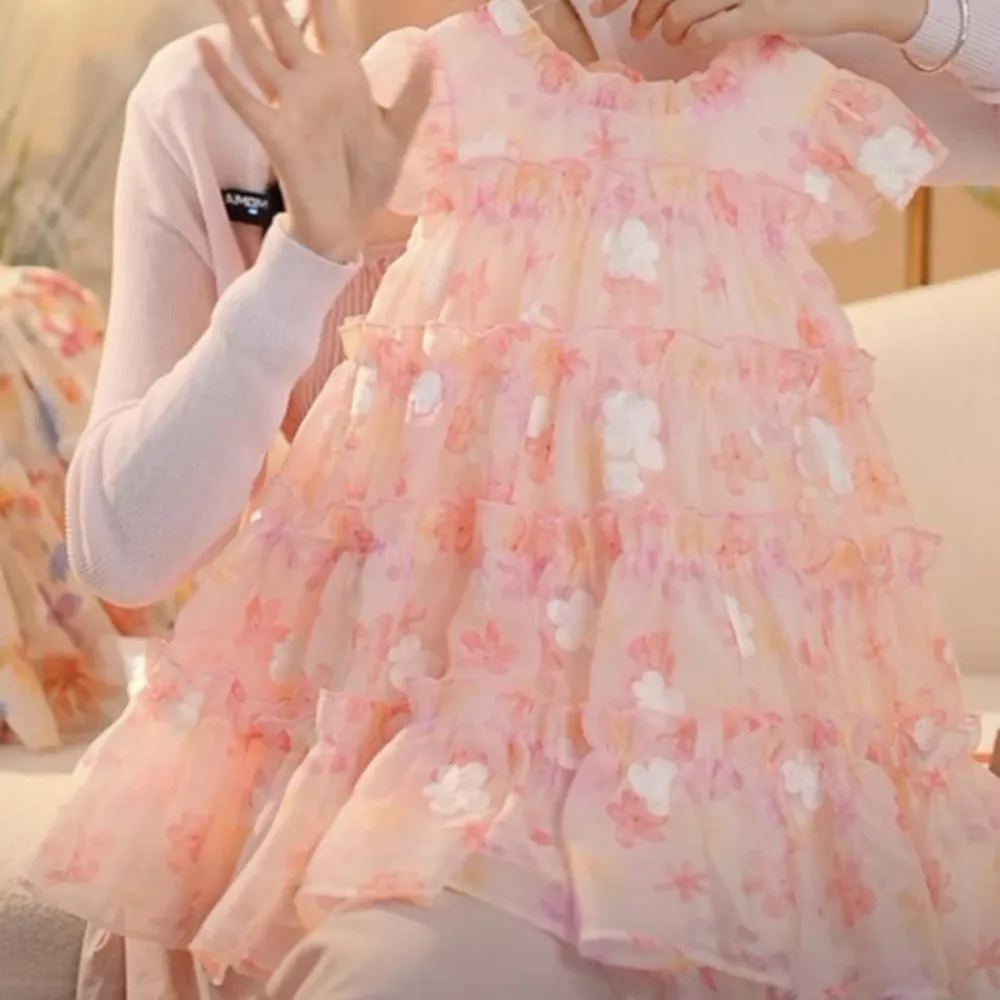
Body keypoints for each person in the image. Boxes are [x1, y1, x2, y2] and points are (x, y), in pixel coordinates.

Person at [30, 1, 1000, 999]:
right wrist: (303, 258)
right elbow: (122, 552)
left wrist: (904, 8)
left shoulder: (704, 38)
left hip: (649, 757)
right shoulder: (215, 94)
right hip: (348, 738)